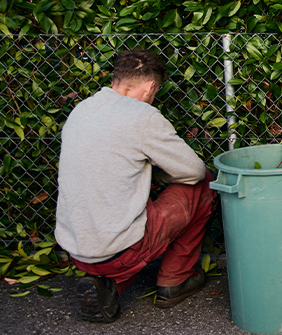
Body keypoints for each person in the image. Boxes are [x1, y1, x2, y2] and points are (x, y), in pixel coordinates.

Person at [55, 49, 216, 323]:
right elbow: (193, 171)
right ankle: (175, 279)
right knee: (205, 184)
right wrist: (164, 177)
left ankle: (107, 287)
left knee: (121, 226)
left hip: (76, 250)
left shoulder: (81, 110)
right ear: (151, 86)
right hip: (122, 251)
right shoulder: (143, 115)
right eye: (156, 92)